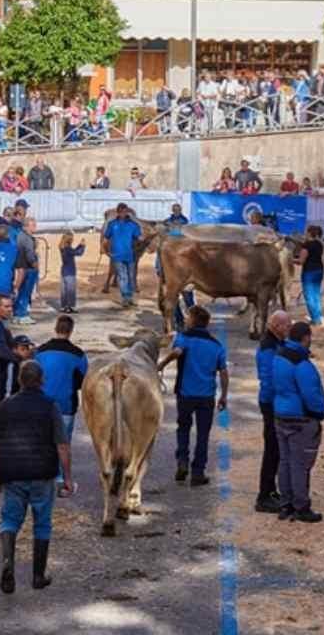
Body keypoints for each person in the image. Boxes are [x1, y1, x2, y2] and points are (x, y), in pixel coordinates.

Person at [0, 361, 74, 595]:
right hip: (42, 473)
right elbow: (62, 445)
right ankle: (38, 576)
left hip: (12, 473)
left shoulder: (5, 406)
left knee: (9, 520)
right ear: (42, 380)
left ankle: (8, 563)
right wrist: (66, 477)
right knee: (42, 523)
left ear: (19, 380)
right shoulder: (49, 406)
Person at [156, 306, 228, 486]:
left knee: (183, 428)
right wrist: (224, 396)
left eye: (188, 317)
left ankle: (182, 461)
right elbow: (224, 372)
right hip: (206, 396)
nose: (186, 320)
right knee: (203, 435)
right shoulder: (216, 345)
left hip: (185, 394)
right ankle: (198, 472)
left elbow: (177, 352)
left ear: (194, 320)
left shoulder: (184, 338)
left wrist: (162, 364)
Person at [272, 322, 324, 523]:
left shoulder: (279, 357)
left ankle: (286, 503)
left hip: (281, 415)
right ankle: (301, 506)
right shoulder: (302, 365)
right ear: (305, 338)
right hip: (301, 419)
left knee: (285, 461)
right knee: (300, 464)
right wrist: (320, 412)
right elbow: (311, 394)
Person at [34, 316, 88, 495]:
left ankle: (41, 476)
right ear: (71, 331)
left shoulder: (40, 351)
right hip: (66, 404)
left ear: (55, 328)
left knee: (42, 439)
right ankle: (58, 478)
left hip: (41, 402)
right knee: (63, 442)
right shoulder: (78, 354)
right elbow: (83, 381)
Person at [0, 294, 33, 449]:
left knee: (1, 407)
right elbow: (0, 349)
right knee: (0, 408)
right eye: (6, 307)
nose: (10, 310)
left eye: (11, 306)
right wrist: (19, 360)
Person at [254, 311, 290, 513]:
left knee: (275, 450)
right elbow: (269, 379)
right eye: (286, 325)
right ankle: (264, 495)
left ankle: (270, 489)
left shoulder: (276, 344)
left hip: (272, 402)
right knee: (272, 449)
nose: (289, 328)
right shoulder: (269, 348)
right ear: (276, 326)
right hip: (271, 404)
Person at [103, 204, 140, 307]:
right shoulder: (111, 224)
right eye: (121, 212)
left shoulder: (133, 225)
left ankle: (130, 297)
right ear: (118, 212)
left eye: (125, 212)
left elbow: (138, 237)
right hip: (117, 255)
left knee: (130, 277)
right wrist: (105, 249)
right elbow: (106, 237)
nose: (123, 213)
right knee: (122, 276)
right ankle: (125, 298)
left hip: (129, 255)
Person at [295, 225, 324, 326]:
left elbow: (301, 261)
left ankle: (315, 319)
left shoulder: (307, 245)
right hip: (319, 270)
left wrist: (290, 259)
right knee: (316, 294)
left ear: (309, 233)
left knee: (309, 296)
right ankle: (319, 316)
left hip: (309, 272)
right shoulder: (319, 244)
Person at [13, 217, 39, 325]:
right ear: (27, 226)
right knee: (26, 292)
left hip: (21, 267)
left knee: (21, 292)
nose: (35, 227)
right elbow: (29, 254)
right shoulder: (27, 238)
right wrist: (35, 264)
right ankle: (22, 314)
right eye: (33, 225)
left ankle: (17, 313)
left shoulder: (20, 236)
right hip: (28, 268)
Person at [58, 232, 86, 313]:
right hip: (70, 272)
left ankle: (63, 306)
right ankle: (70, 306)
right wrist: (83, 246)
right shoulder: (68, 249)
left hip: (64, 271)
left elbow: (74, 251)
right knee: (71, 290)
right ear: (70, 240)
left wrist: (79, 245)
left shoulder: (63, 248)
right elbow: (78, 253)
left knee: (64, 290)